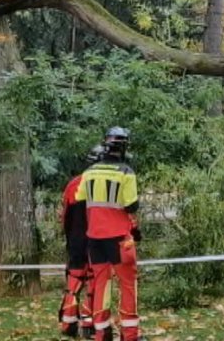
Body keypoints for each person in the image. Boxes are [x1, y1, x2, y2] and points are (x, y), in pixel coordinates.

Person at [75, 127, 142, 341]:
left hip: (95, 238)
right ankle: (129, 335)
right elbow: (131, 206)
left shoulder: (89, 172)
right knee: (127, 286)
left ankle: (102, 333)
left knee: (101, 285)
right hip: (120, 240)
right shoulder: (126, 172)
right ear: (124, 147)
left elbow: (80, 198)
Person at [59, 145, 103, 339]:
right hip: (98, 239)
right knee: (94, 281)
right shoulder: (106, 185)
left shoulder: (73, 185)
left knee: (74, 281)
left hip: (76, 240)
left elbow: (65, 217)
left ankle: (68, 323)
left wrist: (69, 237)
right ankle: (89, 322)